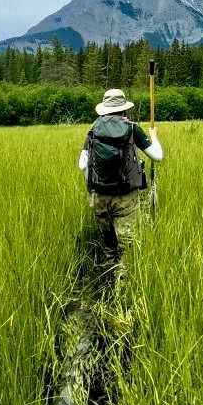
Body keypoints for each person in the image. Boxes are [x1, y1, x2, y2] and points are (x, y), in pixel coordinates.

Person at [78, 88, 163, 284]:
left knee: (109, 241)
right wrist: (154, 136)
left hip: (99, 196)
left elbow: (82, 164)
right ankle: (122, 282)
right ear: (124, 109)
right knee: (127, 242)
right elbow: (157, 156)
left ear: (104, 109)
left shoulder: (93, 129)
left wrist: (94, 184)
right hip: (125, 195)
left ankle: (109, 266)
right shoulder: (132, 128)